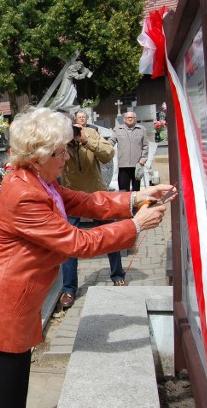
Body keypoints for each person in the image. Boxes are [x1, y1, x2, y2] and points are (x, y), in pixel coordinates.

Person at [0, 106, 175, 407]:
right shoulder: (24, 193)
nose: (67, 157)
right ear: (38, 154)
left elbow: (87, 201)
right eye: (60, 152)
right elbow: (78, 242)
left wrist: (137, 197)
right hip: (0, 313)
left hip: (14, 309)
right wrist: (135, 226)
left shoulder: (39, 181)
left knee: (9, 393)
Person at [59, 110, 125, 309]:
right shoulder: (57, 142)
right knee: (68, 244)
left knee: (109, 236)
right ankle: (69, 289)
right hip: (72, 198)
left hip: (96, 194)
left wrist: (86, 140)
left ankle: (117, 274)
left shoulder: (90, 134)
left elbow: (108, 155)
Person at [109, 111, 149, 191]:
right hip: (123, 165)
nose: (130, 119)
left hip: (137, 164)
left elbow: (145, 145)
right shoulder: (117, 130)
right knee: (123, 190)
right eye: (128, 117)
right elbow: (111, 142)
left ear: (135, 119)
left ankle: (136, 204)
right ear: (124, 119)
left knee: (136, 191)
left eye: (132, 117)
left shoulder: (141, 129)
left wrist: (144, 157)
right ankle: (124, 204)